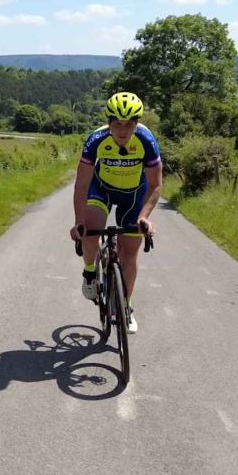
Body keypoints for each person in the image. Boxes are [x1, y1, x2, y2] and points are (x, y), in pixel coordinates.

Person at [69, 92, 162, 333]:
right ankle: (90, 272)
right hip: (101, 189)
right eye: (117, 124)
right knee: (90, 230)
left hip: (134, 194)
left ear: (137, 122)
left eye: (129, 124)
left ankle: (127, 306)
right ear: (109, 122)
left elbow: (155, 185)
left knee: (129, 253)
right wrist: (79, 221)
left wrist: (144, 217)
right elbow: (81, 184)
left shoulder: (147, 141)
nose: (123, 130)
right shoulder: (96, 140)